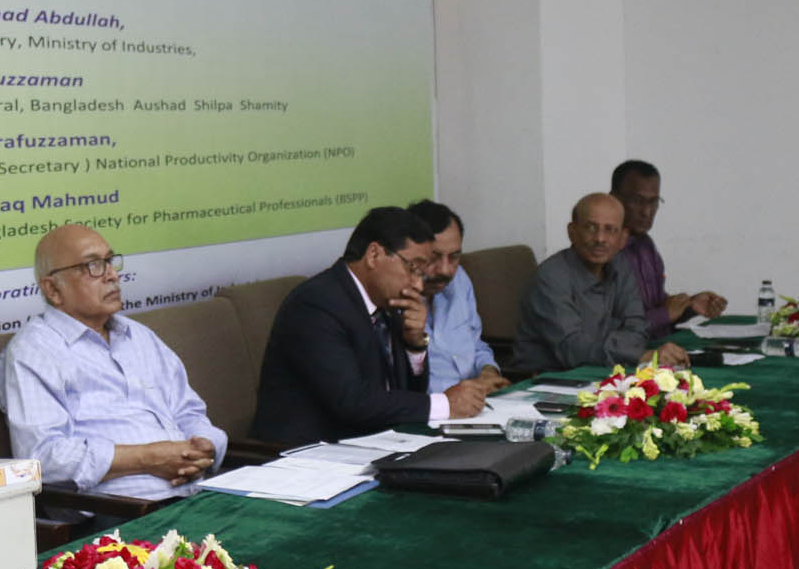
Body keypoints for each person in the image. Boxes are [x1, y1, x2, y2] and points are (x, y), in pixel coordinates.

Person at [0, 224, 228, 499]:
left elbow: (188, 411)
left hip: (199, 489)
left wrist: (205, 447)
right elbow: (42, 459)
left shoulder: (138, 335)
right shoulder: (34, 351)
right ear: (53, 289)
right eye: (93, 266)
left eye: (109, 261)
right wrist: (148, 458)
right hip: (126, 511)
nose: (112, 275)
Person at [251, 207, 487, 447]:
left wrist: (415, 344)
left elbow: (408, 394)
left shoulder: (388, 303)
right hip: (306, 452)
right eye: (413, 269)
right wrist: (444, 404)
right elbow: (352, 401)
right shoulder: (316, 304)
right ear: (374, 255)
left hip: (375, 442)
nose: (417, 285)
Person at [513, 192, 691, 374]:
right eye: (591, 228)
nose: (600, 239)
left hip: (606, 371)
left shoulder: (621, 266)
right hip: (549, 378)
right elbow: (571, 348)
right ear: (572, 232)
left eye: (610, 230)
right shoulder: (551, 276)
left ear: (622, 238)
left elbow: (638, 327)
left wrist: (622, 350)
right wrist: (637, 355)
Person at [611, 159, 727, 339]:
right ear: (613, 199)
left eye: (653, 202)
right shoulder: (602, 252)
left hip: (661, 348)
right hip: (628, 353)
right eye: (637, 201)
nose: (647, 212)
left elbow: (658, 307)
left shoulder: (646, 246)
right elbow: (610, 331)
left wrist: (690, 307)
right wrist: (665, 314)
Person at [407, 199, 509, 393]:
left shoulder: (459, 280)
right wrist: (466, 391)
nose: (445, 270)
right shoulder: (392, 298)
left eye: (454, 257)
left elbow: (475, 343)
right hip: (436, 404)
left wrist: (488, 371)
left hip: (480, 398)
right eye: (434, 258)